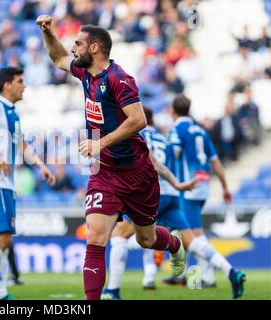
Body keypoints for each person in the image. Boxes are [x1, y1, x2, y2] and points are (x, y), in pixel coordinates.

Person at [37, 16, 185, 300]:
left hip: (136, 172)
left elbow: (138, 120)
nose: (72, 48)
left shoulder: (119, 79)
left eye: (78, 43)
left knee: (146, 239)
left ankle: (175, 245)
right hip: (104, 172)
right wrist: (47, 32)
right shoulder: (84, 74)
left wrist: (100, 143)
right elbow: (56, 58)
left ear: (94, 48)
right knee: (95, 238)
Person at [102, 106, 247, 300]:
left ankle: (116, 289)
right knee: (193, 239)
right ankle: (230, 272)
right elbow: (177, 163)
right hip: (176, 192)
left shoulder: (140, 133)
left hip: (153, 193)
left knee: (121, 234)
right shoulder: (166, 137)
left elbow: (150, 161)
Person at [0, 66, 56, 300]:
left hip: (5, 184)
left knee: (3, 238)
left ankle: (1, 291)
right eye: (19, 81)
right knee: (3, 237)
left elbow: (22, 145)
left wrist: (42, 167)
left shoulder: (13, 113)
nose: (23, 85)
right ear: (7, 84)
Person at [166, 94, 246, 299]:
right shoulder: (201, 129)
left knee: (194, 236)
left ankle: (210, 276)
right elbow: (215, 161)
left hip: (187, 186)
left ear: (173, 111)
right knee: (190, 233)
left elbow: (173, 154)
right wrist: (225, 187)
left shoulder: (178, 129)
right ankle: (190, 276)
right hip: (203, 186)